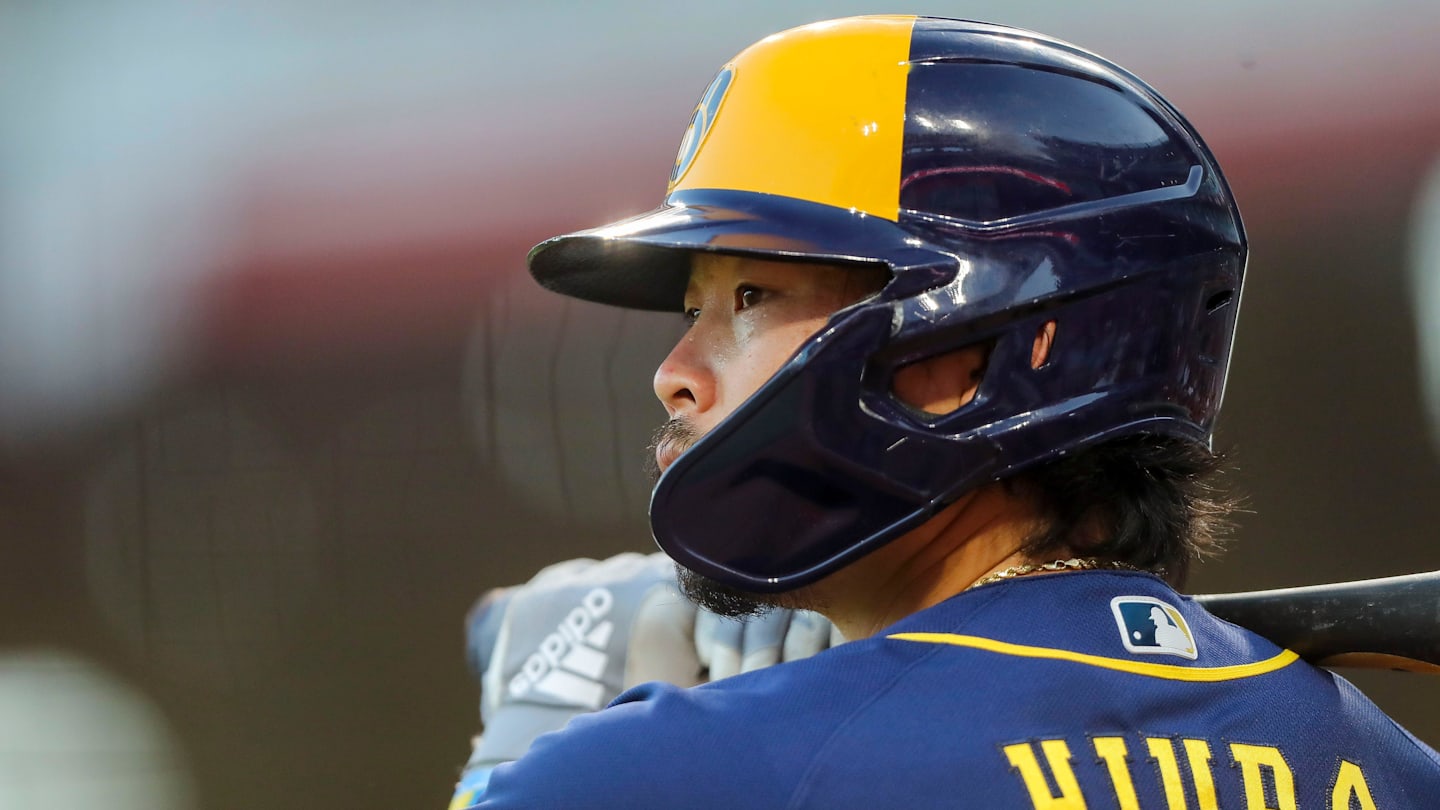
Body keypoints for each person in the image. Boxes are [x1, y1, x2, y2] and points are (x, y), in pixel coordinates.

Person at [457, 15, 1440, 808]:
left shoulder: (671, 772)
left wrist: (537, 729)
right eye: (692, 313)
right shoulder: (1397, 772)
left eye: (751, 298)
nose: (674, 375)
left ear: (965, 349)